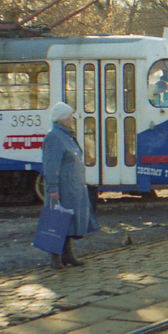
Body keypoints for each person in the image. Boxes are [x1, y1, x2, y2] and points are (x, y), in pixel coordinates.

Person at [42, 102, 99, 267]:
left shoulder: (66, 135)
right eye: (70, 116)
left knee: (68, 221)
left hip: (72, 186)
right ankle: (55, 257)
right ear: (62, 119)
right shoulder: (54, 136)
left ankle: (67, 255)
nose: (73, 119)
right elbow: (51, 165)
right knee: (58, 220)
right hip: (64, 187)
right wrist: (53, 188)